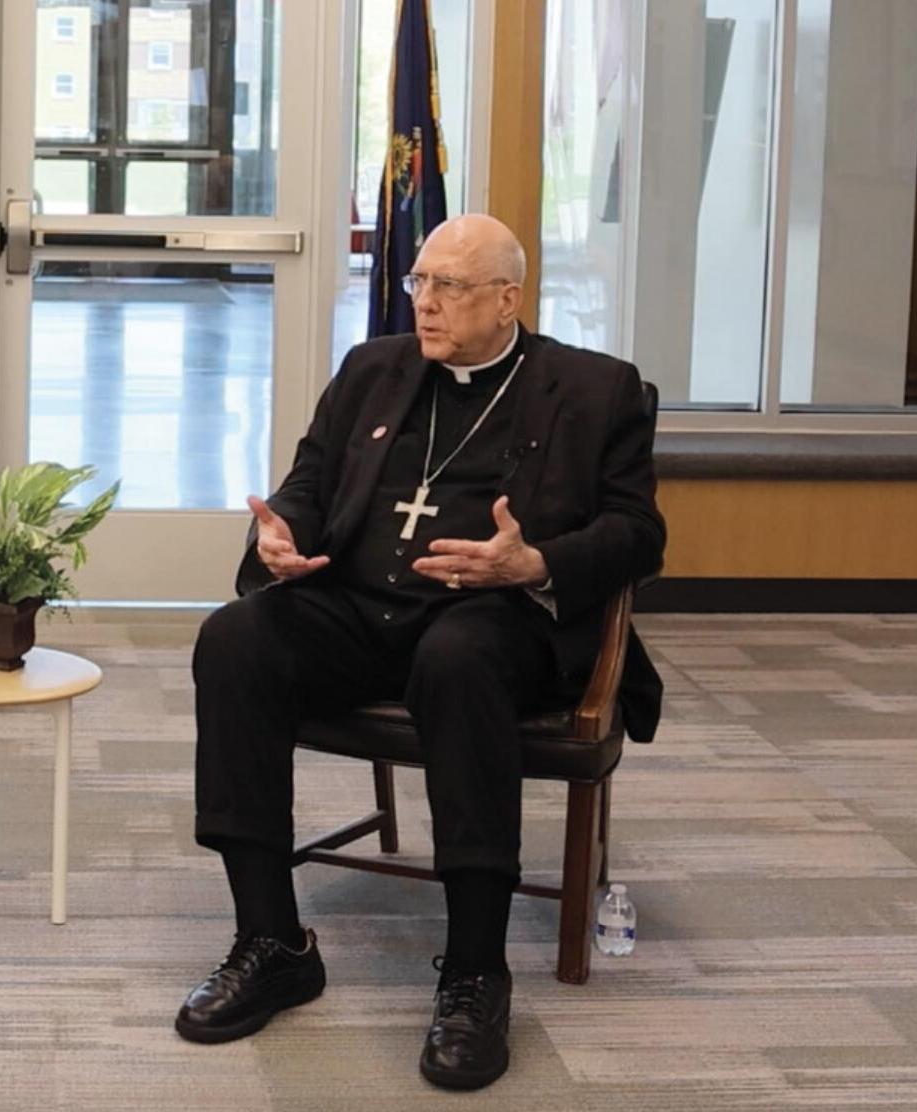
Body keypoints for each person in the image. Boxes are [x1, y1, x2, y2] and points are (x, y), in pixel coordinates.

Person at [176, 214, 664, 1090]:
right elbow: (311, 483)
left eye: (448, 287)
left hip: (495, 621)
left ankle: (476, 972)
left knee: (458, 658)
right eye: (417, 283)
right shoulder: (373, 369)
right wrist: (282, 536)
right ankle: (272, 940)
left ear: (507, 299)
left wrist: (536, 562)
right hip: (362, 611)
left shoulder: (594, 389)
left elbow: (638, 534)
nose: (424, 304)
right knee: (236, 637)